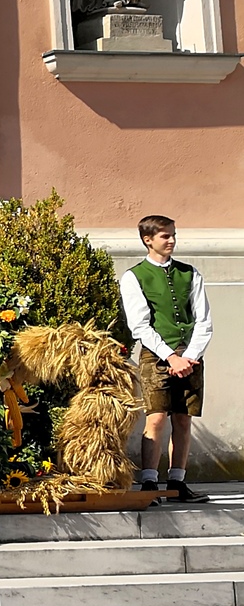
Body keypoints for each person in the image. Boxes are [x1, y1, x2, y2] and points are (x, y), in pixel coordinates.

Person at [120, 215, 212, 504]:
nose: (172, 240)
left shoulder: (190, 273)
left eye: (173, 234)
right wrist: (171, 356)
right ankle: (149, 482)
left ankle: (177, 483)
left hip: (190, 355)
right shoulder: (134, 277)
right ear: (148, 240)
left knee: (183, 419)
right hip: (156, 354)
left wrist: (190, 356)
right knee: (156, 417)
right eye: (165, 236)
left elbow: (203, 320)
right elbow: (139, 325)